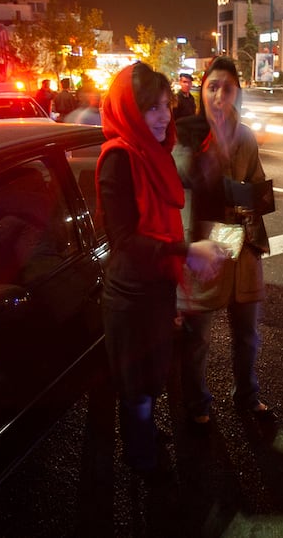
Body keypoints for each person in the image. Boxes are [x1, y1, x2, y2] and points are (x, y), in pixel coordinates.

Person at [96, 62, 223, 476]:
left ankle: (144, 433)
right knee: (136, 387)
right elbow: (125, 241)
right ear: (129, 108)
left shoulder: (156, 152)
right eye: (152, 108)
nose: (164, 116)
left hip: (156, 288)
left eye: (166, 106)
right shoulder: (119, 158)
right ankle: (140, 458)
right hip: (131, 297)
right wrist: (186, 251)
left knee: (152, 376)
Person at [173, 56, 274, 433]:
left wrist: (254, 198)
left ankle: (246, 395)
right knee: (197, 339)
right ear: (202, 90)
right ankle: (197, 403)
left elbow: (258, 182)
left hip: (240, 247)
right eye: (212, 87)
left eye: (227, 89)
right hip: (201, 250)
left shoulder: (245, 136)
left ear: (236, 94)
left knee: (247, 335)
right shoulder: (187, 134)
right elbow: (178, 192)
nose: (218, 96)